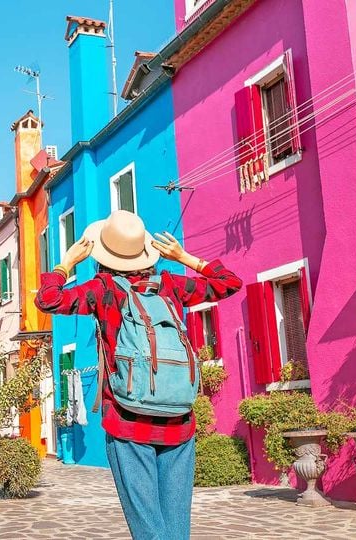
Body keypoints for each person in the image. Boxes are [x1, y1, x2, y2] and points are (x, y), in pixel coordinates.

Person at [35, 210, 242, 540]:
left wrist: (66, 263)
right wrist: (184, 256)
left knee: (147, 526)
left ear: (106, 255)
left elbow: (48, 300)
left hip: (128, 421)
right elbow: (229, 283)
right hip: (179, 420)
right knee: (176, 527)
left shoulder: (104, 290)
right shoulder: (172, 286)